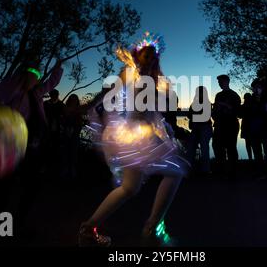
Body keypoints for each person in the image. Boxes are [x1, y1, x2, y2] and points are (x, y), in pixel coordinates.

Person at [79, 32, 189, 246]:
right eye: (147, 56)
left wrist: (166, 126)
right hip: (133, 136)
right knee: (175, 170)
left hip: (144, 134)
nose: (151, 59)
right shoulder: (129, 73)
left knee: (130, 188)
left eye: (154, 56)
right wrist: (86, 107)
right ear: (137, 56)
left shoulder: (154, 79)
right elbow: (108, 94)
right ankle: (152, 228)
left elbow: (154, 109)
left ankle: (88, 228)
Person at [0, 60, 63, 232]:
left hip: (30, 146)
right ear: (25, 75)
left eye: (37, 76)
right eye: (33, 75)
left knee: (31, 186)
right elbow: (2, 92)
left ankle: (18, 223)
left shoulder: (36, 93)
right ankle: (4, 227)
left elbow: (51, 83)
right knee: (4, 190)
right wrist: (19, 75)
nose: (36, 78)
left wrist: (57, 68)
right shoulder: (13, 92)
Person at [212, 74, 241, 177]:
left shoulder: (234, 95)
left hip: (231, 125)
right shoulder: (218, 95)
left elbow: (238, 112)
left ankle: (233, 171)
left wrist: (226, 106)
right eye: (219, 82)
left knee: (231, 148)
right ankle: (221, 170)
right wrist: (215, 116)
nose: (219, 84)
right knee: (217, 146)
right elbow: (214, 110)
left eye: (221, 82)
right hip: (219, 125)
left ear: (227, 82)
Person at [187, 86, 213, 175]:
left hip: (204, 128)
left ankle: (206, 170)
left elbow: (205, 116)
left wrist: (195, 119)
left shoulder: (207, 104)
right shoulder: (194, 103)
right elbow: (189, 115)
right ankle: (190, 168)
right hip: (196, 128)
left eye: (201, 92)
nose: (199, 94)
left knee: (204, 148)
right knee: (191, 148)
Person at [61, 94, 83, 178]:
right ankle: (65, 168)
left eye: (74, 99)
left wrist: (74, 131)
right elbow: (63, 120)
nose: (73, 101)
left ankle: (72, 168)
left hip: (75, 135)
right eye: (71, 99)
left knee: (73, 152)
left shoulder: (78, 110)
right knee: (65, 152)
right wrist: (66, 129)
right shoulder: (65, 109)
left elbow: (79, 123)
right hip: (66, 134)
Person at [240, 93, 264, 163]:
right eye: (246, 98)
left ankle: (256, 159)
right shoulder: (245, 106)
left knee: (253, 144)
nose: (246, 99)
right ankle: (253, 159)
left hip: (252, 127)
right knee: (249, 143)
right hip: (247, 126)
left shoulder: (254, 106)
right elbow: (240, 115)